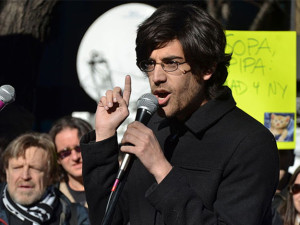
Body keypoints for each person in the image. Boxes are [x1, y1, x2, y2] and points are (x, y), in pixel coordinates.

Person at [80, 3, 279, 225]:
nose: (156, 77)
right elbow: (108, 218)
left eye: (171, 63)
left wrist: (161, 170)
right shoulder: (152, 127)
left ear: (207, 68)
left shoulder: (250, 143)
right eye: (151, 64)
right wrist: (104, 137)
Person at [0, 132, 90, 225]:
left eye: (35, 168)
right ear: (7, 172)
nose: (25, 176)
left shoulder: (76, 217)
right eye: (17, 168)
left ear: (50, 176)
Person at [49, 116, 93, 208]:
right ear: (57, 158)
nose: (75, 157)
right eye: (65, 153)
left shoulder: (114, 188)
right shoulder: (50, 197)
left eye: (79, 148)